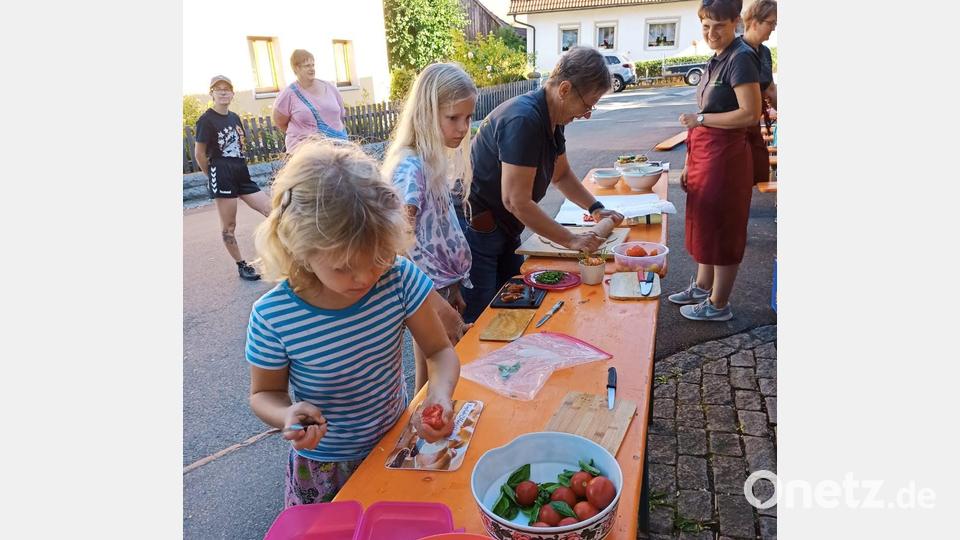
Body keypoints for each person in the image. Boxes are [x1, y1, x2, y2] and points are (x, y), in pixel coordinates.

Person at [245, 138, 461, 506]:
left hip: (394, 442)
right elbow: (264, 394)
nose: (364, 277)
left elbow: (439, 350)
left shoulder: (397, 278)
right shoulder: (273, 316)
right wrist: (286, 415)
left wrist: (439, 395)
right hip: (325, 467)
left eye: (378, 257)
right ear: (299, 249)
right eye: (343, 267)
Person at [463, 46, 624, 322]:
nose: (587, 114)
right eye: (588, 105)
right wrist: (572, 239)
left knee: (516, 307)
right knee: (482, 319)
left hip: (506, 228)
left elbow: (561, 175)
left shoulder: (553, 118)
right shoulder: (524, 120)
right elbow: (515, 201)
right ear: (565, 89)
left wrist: (596, 208)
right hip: (481, 231)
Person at [383, 63, 477, 392]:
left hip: (438, 288)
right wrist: (436, 302)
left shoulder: (429, 160)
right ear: (425, 113)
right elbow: (397, 247)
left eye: (468, 118)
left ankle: (423, 417)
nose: (463, 128)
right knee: (438, 369)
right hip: (425, 292)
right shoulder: (410, 167)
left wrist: (453, 286)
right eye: (453, 118)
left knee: (430, 369)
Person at [669, 0, 762, 321]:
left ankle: (719, 304)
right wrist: (689, 164)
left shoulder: (740, 58)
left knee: (723, 227)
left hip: (727, 159)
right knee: (704, 222)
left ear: (736, 22)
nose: (711, 33)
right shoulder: (717, 58)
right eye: (706, 26)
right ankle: (702, 285)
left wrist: (701, 119)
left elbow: (749, 114)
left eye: (719, 26)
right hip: (706, 155)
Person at [194, 75, 271, 281]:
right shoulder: (206, 120)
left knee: (272, 211)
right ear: (211, 93)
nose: (223, 91)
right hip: (221, 172)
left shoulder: (234, 117)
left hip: (241, 171)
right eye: (218, 89)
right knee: (229, 226)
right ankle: (241, 265)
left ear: (232, 93)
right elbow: (199, 154)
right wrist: (213, 176)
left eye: (226, 88)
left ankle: (284, 252)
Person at [272, 49, 349, 154]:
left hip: (337, 148)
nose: (312, 69)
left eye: (313, 65)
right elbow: (280, 122)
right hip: (304, 154)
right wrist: (304, 134)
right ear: (296, 68)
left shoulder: (330, 87)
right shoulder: (288, 94)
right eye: (307, 66)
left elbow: (340, 115)